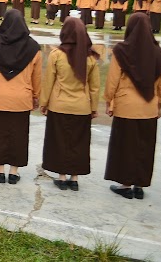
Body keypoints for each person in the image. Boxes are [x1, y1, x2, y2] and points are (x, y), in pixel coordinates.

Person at [105, 13, 161, 200]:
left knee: (125, 146)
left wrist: (110, 100)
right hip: (148, 107)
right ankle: (139, 185)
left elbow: (113, 80)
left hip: (126, 106)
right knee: (144, 147)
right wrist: (159, 103)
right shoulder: (157, 52)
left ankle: (125, 184)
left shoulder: (121, 50)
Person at [0, 10, 42, 184]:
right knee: (18, 135)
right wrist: (36, 96)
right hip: (22, 98)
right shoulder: (33, 48)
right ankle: (14, 172)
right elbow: (36, 77)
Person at [40, 18, 100, 191]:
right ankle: (74, 178)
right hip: (82, 106)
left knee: (59, 140)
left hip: (59, 105)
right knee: (78, 143)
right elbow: (95, 87)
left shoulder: (57, 55)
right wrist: (94, 107)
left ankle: (62, 176)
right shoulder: (90, 58)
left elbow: (49, 82)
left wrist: (44, 103)